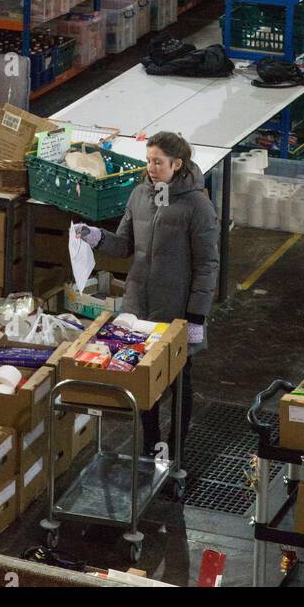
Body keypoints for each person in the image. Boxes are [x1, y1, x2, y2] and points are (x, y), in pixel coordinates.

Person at [76, 132, 219, 460]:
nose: (151, 167)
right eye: (148, 160)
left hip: (176, 310)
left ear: (177, 163)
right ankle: (151, 448)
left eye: (158, 161)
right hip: (138, 308)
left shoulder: (198, 206)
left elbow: (208, 265)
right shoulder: (140, 196)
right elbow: (124, 245)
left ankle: (178, 452)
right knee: (143, 379)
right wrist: (95, 237)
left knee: (180, 381)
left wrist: (196, 317)